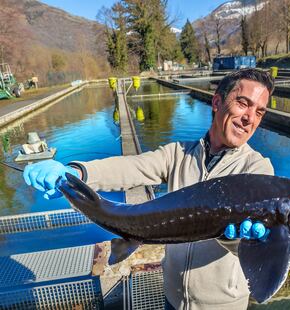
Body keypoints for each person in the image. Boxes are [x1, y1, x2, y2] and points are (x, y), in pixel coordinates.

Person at [24, 68, 275, 310]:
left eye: (259, 112)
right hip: (173, 298)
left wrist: (237, 239)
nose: (250, 118)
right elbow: (131, 167)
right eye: (243, 103)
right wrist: (76, 173)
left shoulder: (258, 170)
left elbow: (255, 247)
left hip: (223, 306)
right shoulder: (179, 153)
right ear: (217, 102)